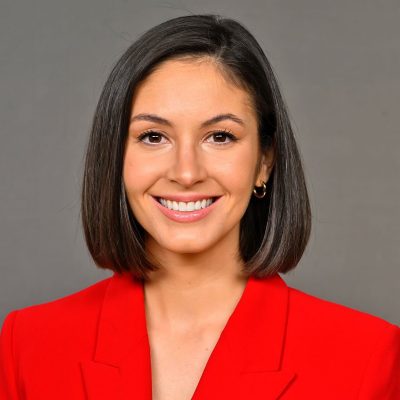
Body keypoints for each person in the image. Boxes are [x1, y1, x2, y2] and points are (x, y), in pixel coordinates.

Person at [0, 14, 399, 400]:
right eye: (154, 136)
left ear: (264, 160)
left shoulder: (366, 356)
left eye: (220, 137)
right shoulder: (28, 345)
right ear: (116, 156)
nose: (186, 172)